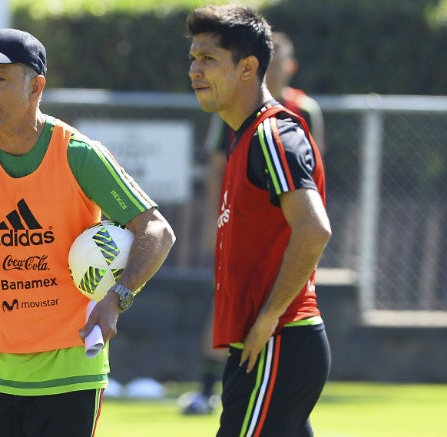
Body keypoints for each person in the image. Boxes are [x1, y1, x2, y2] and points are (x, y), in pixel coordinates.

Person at [0, 28, 175, 436]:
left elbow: (157, 231)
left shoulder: (77, 155)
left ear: (36, 87)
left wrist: (117, 298)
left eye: (0, 79)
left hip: (68, 369)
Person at [186, 5, 332, 436]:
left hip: (277, 344)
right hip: (267, 347)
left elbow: (314, 228)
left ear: (248, 68)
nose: (194, 70)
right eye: (193, 58)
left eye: (208, 59)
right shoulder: (242, 137)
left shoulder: (272, 134)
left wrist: (268, 318)